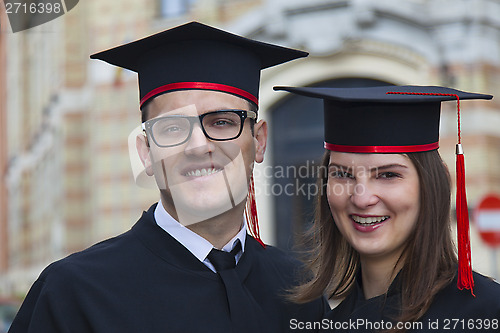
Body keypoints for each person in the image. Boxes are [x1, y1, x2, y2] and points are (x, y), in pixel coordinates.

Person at [9, 22, 328, 333]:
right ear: (146, 152)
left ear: (258, 140)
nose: (199, 146)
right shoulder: (74, 294)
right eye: (173, 128)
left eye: (221, 122)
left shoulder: (299, 288)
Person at [274, 85, 500, 332]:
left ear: (438, 182)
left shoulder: (486, 314)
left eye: (388, 174)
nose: (361, 198)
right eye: (342, 174)